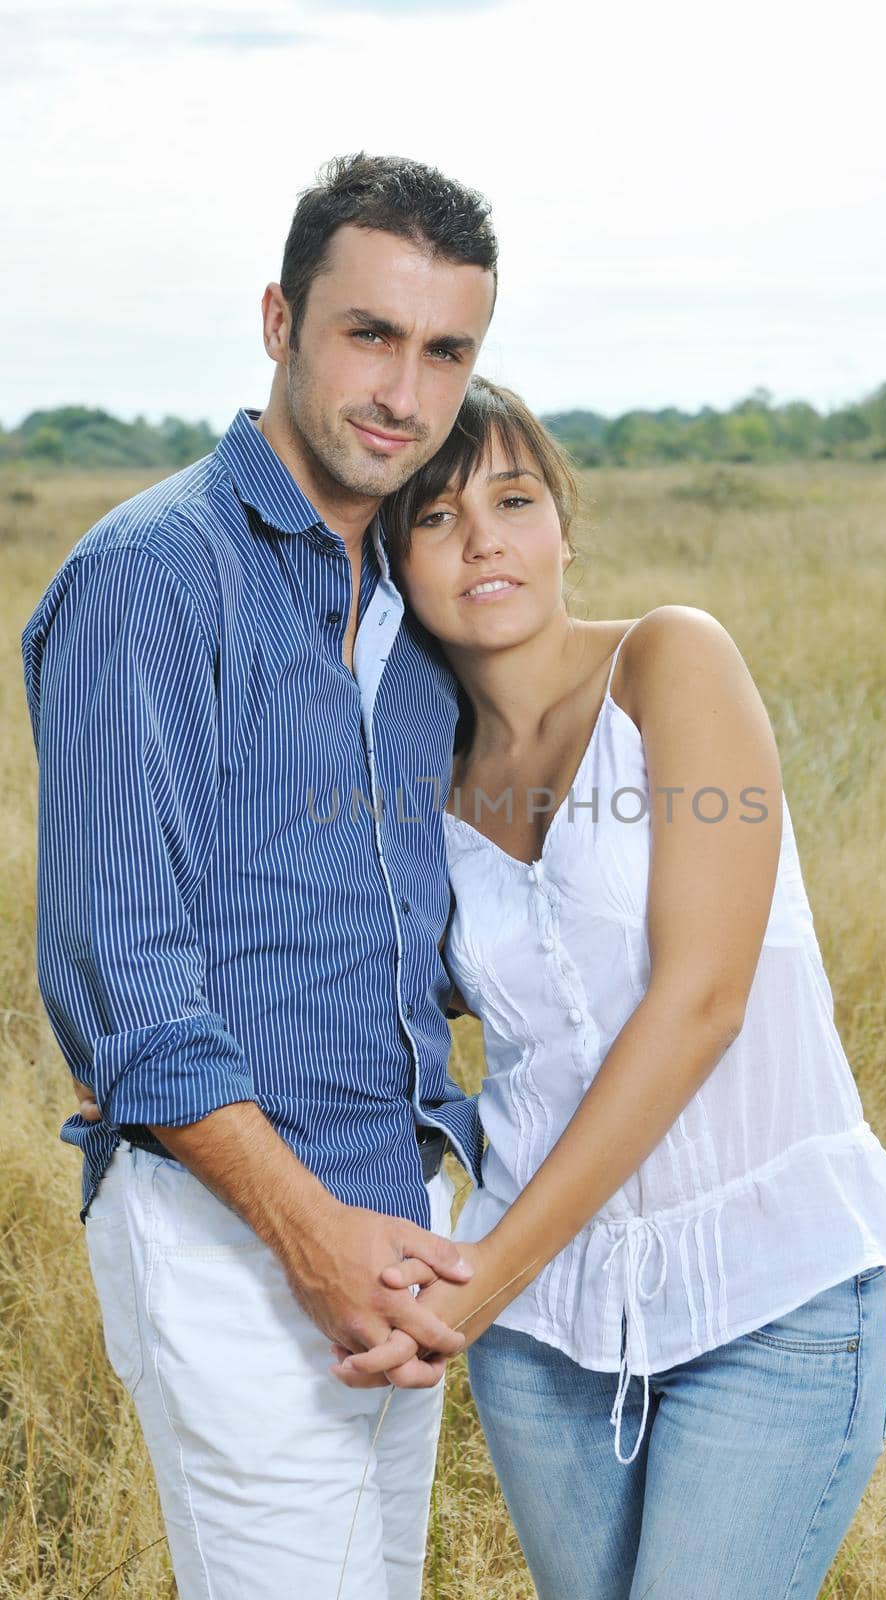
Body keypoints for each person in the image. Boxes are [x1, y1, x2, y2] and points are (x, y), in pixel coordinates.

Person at [337, 376, 886, 1599]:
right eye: (438, 518)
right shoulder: (420, 778)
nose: (487, 538)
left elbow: (703, 999)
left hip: (764, 1302)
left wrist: (475, 1278)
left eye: (513, 499)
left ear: (563, 522)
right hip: (547, 1340)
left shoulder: (669, 661)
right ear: (397, 561)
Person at [22, 154, 500, 1599]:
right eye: (368, 333)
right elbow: (123, 967)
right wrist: (309, 1240)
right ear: (280, 320)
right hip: (241, 1238)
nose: (401, 395)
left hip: (401, 1232)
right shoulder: (154, 574)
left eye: (443, 353)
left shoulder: (414, 619)